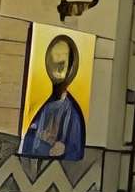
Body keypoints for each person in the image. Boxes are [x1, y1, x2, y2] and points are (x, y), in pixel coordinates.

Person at [20, 30, 89, 161]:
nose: (57, 68)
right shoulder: (43, 108)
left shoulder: (73, 113)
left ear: (71, 67)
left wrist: (64, 149)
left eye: (62, 63)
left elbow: (75, 151)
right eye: (54, 61)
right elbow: (29, 145)